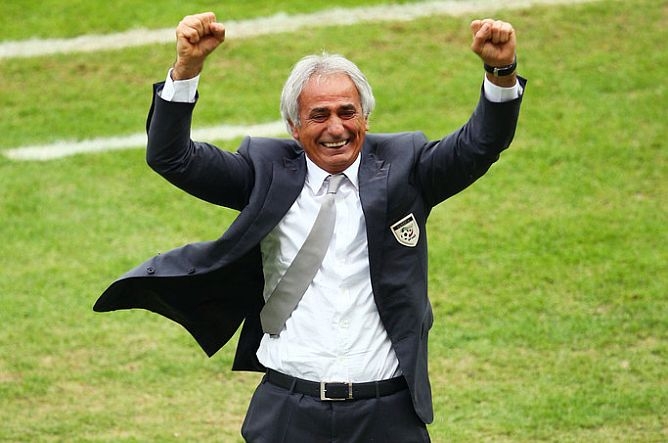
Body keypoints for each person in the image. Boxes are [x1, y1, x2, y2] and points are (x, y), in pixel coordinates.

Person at [94, 11, 525, 442]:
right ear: (293, 127)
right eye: (319, 115)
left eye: (347, 112)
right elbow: (171, 157)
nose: (336, 128)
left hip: (387, 414)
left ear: (366, 118)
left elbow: (481, 143)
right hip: (288, 411)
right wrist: (186, 69)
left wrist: (500, 71)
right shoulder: (263, 173)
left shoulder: (407, 170)